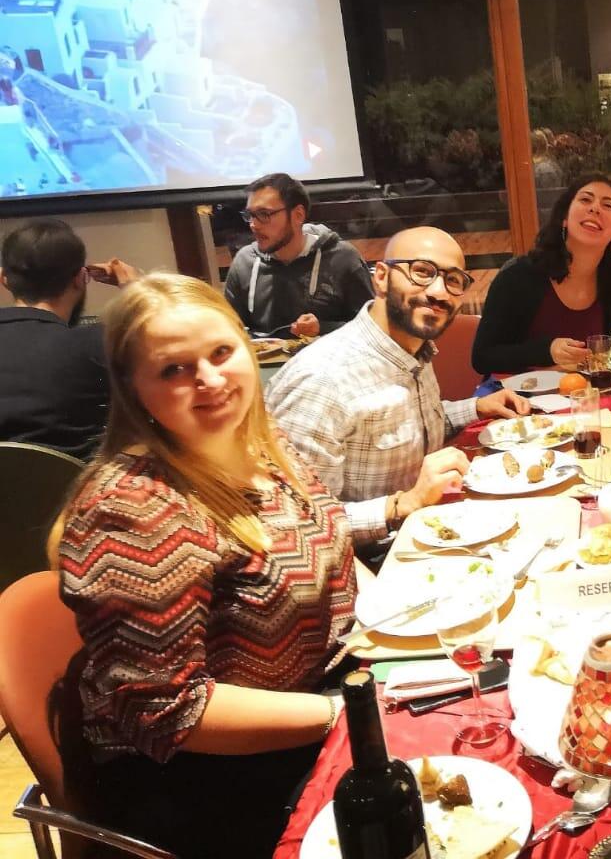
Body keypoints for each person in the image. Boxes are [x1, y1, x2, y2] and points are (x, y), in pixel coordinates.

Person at [53, 274, 363, 858]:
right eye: (174, 369)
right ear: (133, 388)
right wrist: (348, 712)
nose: (211, 379)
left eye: (222, 352)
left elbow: (334, 545)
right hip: (203, 782)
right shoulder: (130, 509)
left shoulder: (263, 448)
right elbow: (168, 714)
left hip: (307, 709)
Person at [267, 226, 530, 549]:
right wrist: (403, 504)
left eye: (453, 280)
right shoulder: (321, 381)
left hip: (431, 532)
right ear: (380, 277)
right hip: (372, 565)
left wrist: (476, 407)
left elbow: (414, 427)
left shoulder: (413, 349)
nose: (438, 292)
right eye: (421, 272)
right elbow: (297, 526)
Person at [472, 174, 611, 375]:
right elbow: (483, 357)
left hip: (589, 400)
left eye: (607, 205)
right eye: (586, 200)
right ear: (565, 218)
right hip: (520, 406)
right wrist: (547, 350)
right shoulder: (519, 276)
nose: (595, 208)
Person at [0, 219, 138, 461]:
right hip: (76, 496)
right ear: (80, 279)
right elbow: (165, 341)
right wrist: (133, 287)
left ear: (4, 279)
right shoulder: (100, 344)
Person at [223, 172, 374, 338]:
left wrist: (323, 328)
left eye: (264, 214)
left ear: (298, 215)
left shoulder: (342, 259)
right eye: (250, 215)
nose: (253, 225)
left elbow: (372, 329)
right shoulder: (245, 262)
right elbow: (229, 330)